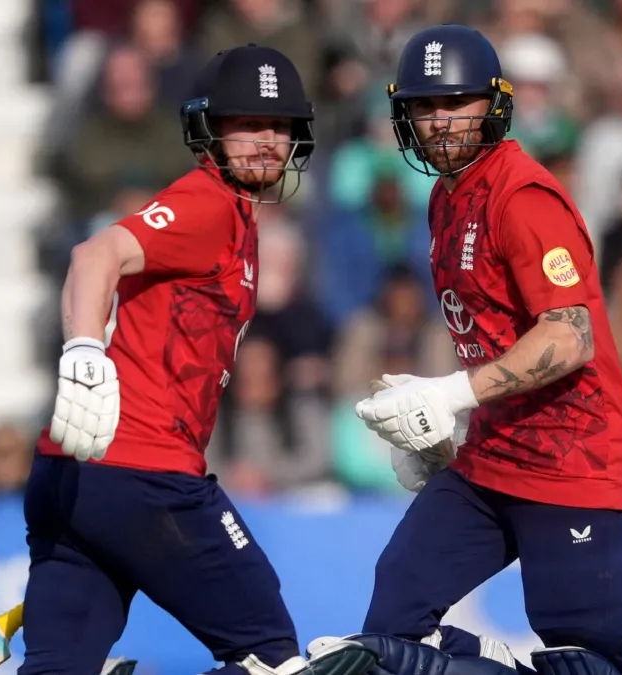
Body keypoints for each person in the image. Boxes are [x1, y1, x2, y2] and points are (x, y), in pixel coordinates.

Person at [20, 44, 374, 675]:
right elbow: (93, 255)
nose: (269, 140)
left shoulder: (240, 222)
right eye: (248, 123)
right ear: (208, 128)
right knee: (270, 659)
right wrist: (83, 348)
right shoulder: (206, 203)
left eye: (280, 125)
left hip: (72, 479)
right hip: (144, 473)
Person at [334, 24, 622, 675]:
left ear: (494, 106)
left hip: (571, 459)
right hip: (492, 455)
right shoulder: (445, 200)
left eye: (456, 104)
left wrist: (450, 393)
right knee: (389, 630)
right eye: (425, 106)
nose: (440, 122)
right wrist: (451, 426)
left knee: (584, 664)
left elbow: (570, 335)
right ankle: (488, 660)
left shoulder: (525, 198)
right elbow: (496, 335)